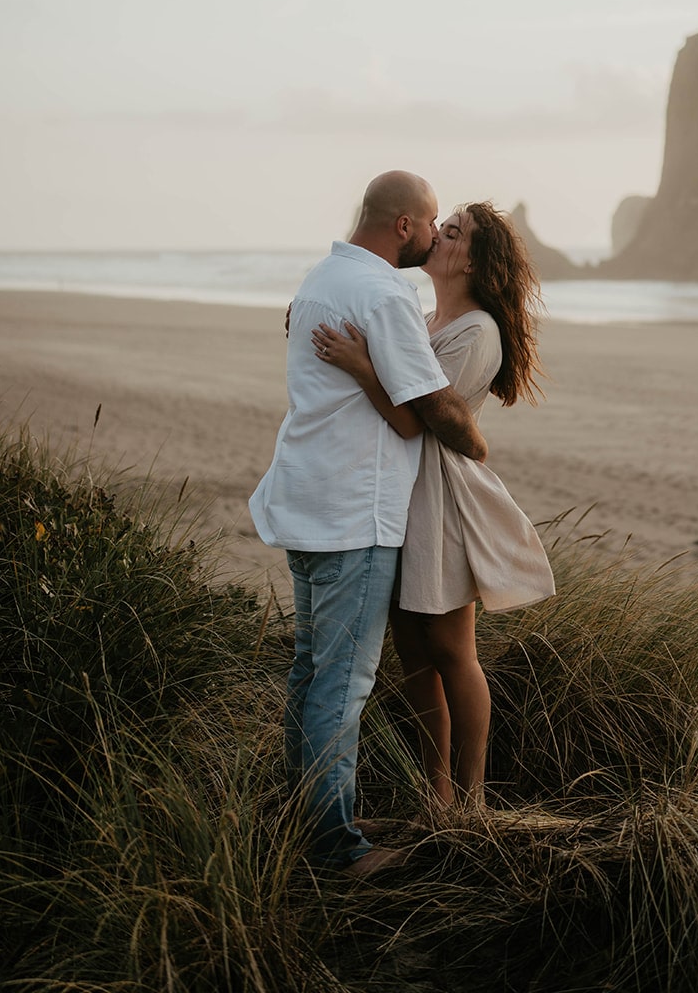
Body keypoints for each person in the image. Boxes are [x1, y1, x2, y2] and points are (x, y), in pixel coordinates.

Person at [248, 171, 488, 879]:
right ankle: (334, 849)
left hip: (306, 500)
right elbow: (428, 411)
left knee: (310, 672)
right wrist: (475, 443)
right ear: (406, 226)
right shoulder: (385, 291)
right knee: (342, 685)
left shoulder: (321, 277)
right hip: (353, 512)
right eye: (432, 220)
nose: (436, 231)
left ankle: (302, 820)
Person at [312, 201, 554, 815]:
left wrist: (362, 364)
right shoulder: (423, 318)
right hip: (398, 492)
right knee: (414, 658)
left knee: (452, 652)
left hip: (440, 500)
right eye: (441, 227)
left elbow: (418, 415)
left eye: (453, 234)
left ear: (476, 260)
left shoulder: (476, 331)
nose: (439, 238)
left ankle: (471, 802)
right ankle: (435, 796)